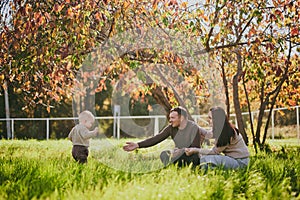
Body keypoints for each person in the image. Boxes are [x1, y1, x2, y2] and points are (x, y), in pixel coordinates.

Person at [123, 106, 208, 167]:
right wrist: (138, 145)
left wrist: (181, 151)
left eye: (173, 118)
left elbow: (196, 147)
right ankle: (173, 168)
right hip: (177, 155)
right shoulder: (171, 128)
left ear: (181, 118)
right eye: (170, 118)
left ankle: (188, 168)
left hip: (191, 156)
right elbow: (157, 138)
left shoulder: (193, 127)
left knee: (193, 157)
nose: (170, 120)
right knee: (164, 154)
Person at [185, 106, 250, 170]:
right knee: (206, 157)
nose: (208, 120)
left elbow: (214, 152)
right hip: (233, 160)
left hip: (240, 162)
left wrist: (195, 150)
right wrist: (193, 126)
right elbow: (207, 134)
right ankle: (204, 169)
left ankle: (201, 170)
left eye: (210, 118)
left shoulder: (227, 132)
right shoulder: (220, 129)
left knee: (207, 159)